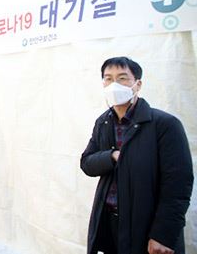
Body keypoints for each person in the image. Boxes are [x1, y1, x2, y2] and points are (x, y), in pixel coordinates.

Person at [80, 57, 193, 254]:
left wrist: (163, 235)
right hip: (109, 221)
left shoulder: (164, 125)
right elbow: (87, 163)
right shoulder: (103, 122)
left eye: (122, 78)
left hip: (147, 226)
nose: (114, 84)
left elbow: (178, 186)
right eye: (108, 79)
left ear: (137, 84)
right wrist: (112, 156)